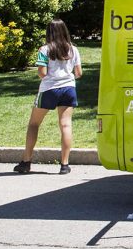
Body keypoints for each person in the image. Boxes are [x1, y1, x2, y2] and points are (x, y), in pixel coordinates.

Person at [13, 19, 82, 175]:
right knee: (66, 125)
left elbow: (42, 73)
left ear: (49, 32)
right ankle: (64, 165)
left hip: (49, 89)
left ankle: (26, 162)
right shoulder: (73, 49)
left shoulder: (44, 49)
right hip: (69, 89)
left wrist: (51, 77)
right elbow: (78, 73)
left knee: (34, 124)